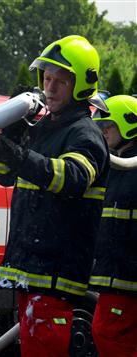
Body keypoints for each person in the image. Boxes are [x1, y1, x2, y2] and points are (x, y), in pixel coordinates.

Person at [0, 35, 110, 356]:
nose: (49, 88)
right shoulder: (43, 128)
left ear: (81, 85)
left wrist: (16, 154)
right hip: (31, 271)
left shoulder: (85, 134)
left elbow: (71, 179)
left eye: (60, 81)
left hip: (56, 273)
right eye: (46, 79)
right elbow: (4, 176)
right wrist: (9, 134)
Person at [90, 95, 137, 356]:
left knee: (108, 331)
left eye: (108, 127)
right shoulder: (113, 168)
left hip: (126, 276)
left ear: (129, 125)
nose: (103, 132)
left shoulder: (132, 169)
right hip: (114, 275)